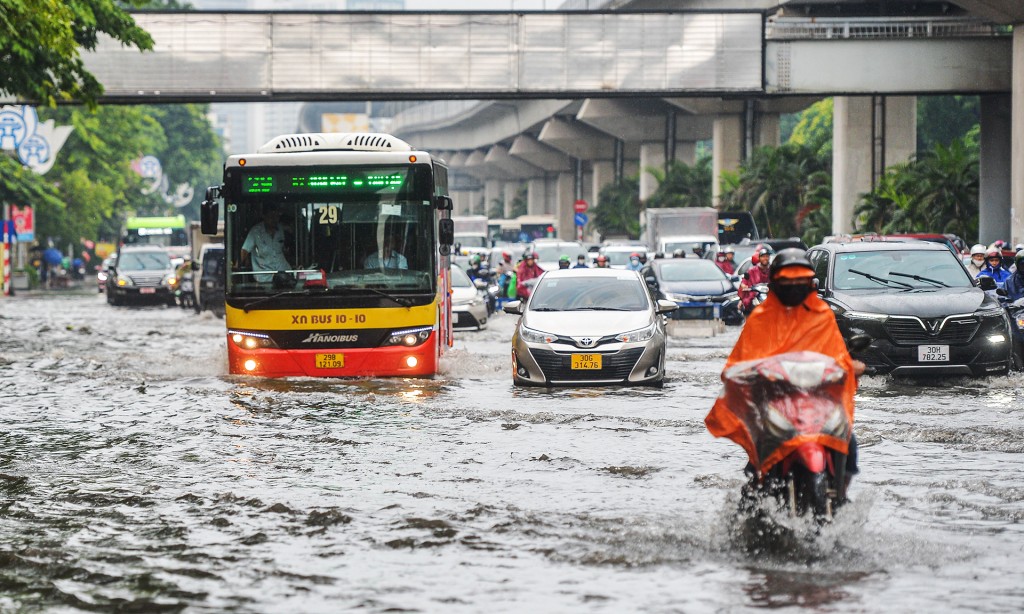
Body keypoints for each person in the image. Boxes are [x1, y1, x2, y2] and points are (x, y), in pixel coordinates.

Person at [705, 249, 865, 490]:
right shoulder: (760, 318)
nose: (795, 286)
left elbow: (836, 356)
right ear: (775, 284)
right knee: (755, 467)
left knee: (848, 443)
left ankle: (840, 493)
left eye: (801, 280)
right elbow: (740, 363)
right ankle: (753, 504)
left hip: (818, 404)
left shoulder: (822, 316)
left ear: (810, 283)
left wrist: (850, 366)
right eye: (788, 281)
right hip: (775, 404)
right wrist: (742, 375)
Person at [240, 205, 292, 282]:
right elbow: (244, 251)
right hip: (265, 278)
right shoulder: (255, 232)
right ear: (264, 216)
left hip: (284, 275)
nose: (274, 220)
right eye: (271, 216)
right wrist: (235, 267)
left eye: (277, 217)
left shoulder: (280, 229)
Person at [738, 247, 772, 314]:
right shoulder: (752, 270)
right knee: (747, 303)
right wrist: (744, 285)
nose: (765, 258)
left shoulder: (773, 270)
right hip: (755, 295)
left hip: (770, 295)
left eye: (767, 256)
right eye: (763, 256)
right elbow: (745, 280)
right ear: (759, 258)